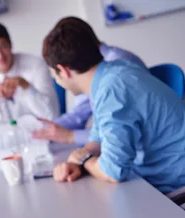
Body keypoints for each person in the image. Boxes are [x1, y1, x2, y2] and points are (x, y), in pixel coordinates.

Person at [42, 20, 185, 193]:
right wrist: (79, 158)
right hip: (155, 177)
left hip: (174, 185)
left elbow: (113, 171)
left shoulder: (112, 89)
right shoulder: (112, 73)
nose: (57, 81)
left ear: (63, 71)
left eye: (54, 75)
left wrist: (85, 160)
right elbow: (99, 134)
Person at [33, 16, 146, 146]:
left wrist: (72, 139)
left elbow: (117, 144)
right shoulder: (97, 75)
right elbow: (89, 118)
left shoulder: (112, 77)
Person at [0, 21, 59, 133]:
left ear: (10, 44)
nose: (0, 56)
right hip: (3, 143)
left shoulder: (36, 65)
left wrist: (26, 87)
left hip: (40, 136)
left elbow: (52, 116)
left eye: (3, 47)